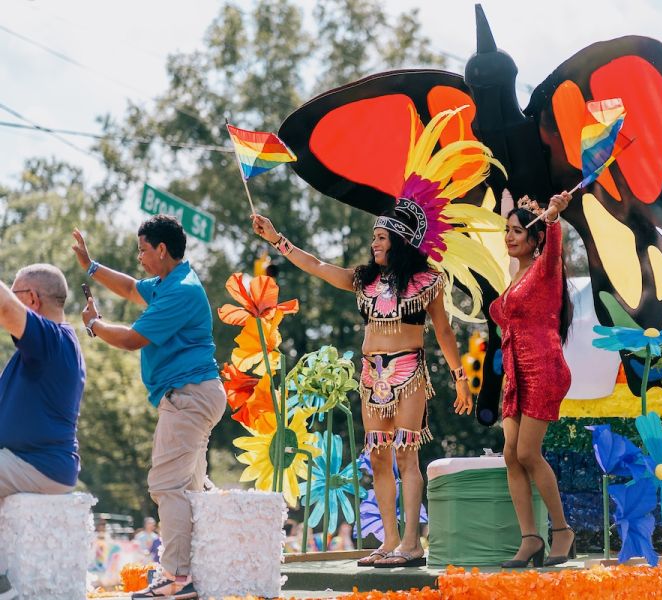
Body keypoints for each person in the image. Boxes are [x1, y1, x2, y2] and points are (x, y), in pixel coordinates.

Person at [250, 107, 513, 568]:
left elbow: (446, 332)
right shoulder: (362, 280)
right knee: (378, 460)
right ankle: (389, 542)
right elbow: (317, 266)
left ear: (401, 241)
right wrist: (278, 241)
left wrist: (460, 377)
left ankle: (413, 543)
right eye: (373, 237)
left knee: (407, 457)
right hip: (370, 375)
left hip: (410, 372)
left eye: (380, 237)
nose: (374, 243)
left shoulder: (428, 282)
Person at [72, 215, 225, 599]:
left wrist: (94, 325)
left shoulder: (181, 291)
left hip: (188, 397)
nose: (138, 257)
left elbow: (131, 339)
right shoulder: (169, 283)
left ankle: (176, 577)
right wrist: (91, 267)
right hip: (194, 395)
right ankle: (192, 576)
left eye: (142, 249)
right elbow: (127, 287)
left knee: (166, 485)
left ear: (161, 249)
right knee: (187, 489)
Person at [490, 192, 574, 568]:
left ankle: (562, 531)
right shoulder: (516, 276)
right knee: (511, 454)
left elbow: (554, 240)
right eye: (507, 230)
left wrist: (552, 217)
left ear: (534, 238)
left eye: (518, 231)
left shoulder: (545, 269)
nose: (510, 237)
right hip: (516, 374)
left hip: (543, 366)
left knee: (527, 453)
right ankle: (530, 538)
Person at [0, 263, 86, 599]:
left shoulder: (52, 340)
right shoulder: (43, 348)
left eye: (16, 291)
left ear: (32, 300)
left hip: (40, 464)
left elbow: (6, 308)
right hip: (27, 462)